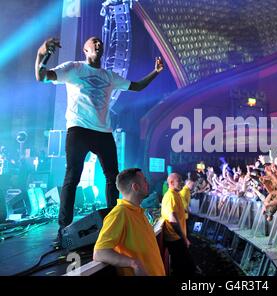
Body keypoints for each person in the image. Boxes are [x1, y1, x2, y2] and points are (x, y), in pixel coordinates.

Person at [35, 37, 164, 246]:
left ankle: (113, 223)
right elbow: (41, 77)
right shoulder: (73, 68)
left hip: (103, 132)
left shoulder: (109, 76)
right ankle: (63, 229)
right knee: (72, 177)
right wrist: (42, 54)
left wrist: (156, 73)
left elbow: (137, 86)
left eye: (100, 43)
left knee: (113, 177)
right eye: (94, 42)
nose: (98, 44)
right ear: (85, 49)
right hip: (78, 129)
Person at [93, 168, 166, 276]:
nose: (147, 183)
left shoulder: (138, 211)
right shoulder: (119, 213)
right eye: (144, 180)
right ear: (135, 187)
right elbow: (99, 252)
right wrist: (134, 263)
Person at [161, 173, 196, 275]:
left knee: (183, 265)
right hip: (175, 238)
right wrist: (184, 238)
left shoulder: (176, 194)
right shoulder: (171, 196)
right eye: (179, 180)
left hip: (177, 238)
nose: (182, 182)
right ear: (171, 182)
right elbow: (173, 220)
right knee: (184, 268)